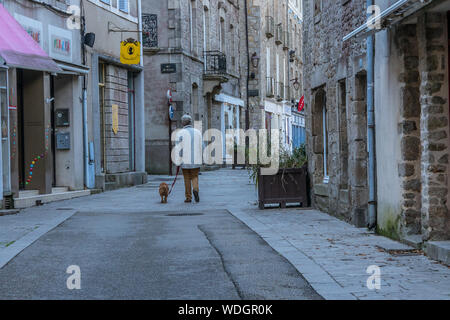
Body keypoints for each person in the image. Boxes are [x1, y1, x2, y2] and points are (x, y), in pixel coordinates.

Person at [176, 115, 204, 203]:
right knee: (195, 176)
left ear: (183, 122)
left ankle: (188, 197)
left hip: (185, 160)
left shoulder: (180, 133)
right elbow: (202, 146)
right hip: (196, 159)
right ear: (190, 122)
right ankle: (195, 189)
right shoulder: (197, 132)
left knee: (187, 178)